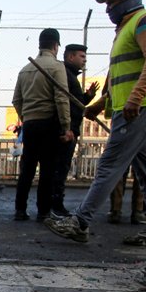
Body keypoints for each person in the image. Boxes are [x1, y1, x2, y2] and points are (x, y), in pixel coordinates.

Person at [46, 0, 146, 243]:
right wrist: (99, 105)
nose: (108, 8)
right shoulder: (125, 30)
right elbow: (121, 78)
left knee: (109, 165)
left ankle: (80, 222)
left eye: (112, 2)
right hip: (134, 109)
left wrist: (136, 97)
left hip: (138, 109)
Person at [12, 28, 73, 221]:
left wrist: (26, 116)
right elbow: (62, 98)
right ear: (56, 46)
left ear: (40, 44)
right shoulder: (56, 67)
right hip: (49, 123)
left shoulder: (25, 69)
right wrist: (66, 126)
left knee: (28, 168)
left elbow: (16, 100)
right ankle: (43, 211)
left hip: (30, 124)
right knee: (47, 168)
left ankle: (20, 209)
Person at [51, 44, 100, 217]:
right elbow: (66, 104)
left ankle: (54, 204)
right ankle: (56, 205)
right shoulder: (66, 75)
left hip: (69, 128)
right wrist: (68, 128)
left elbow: (75, 103)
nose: (84, 60)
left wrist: (87, 97)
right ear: (70, 57)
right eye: (82, 56)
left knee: (59, 167)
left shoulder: (70, 76)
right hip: (67, 130)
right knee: (61, 167)